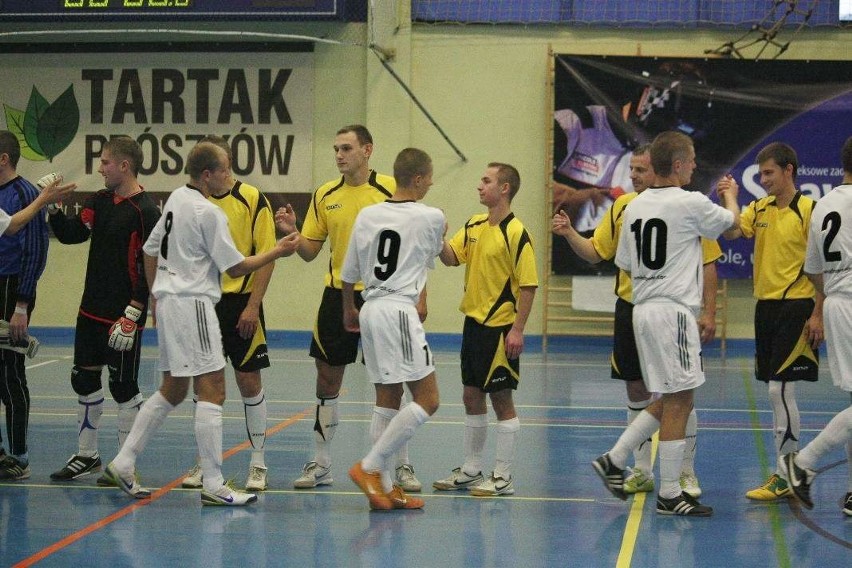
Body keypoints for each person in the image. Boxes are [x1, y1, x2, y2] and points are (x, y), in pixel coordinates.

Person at [103, 141, 300, 505]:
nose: (229, 174)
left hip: (171, 305)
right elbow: (235, 267)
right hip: (195, 305)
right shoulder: (209, 213)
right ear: (207, 174)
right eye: (224, 168)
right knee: (214, 391)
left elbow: (149, 250)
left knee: (173, 389)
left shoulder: (176, 198)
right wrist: (278, 250)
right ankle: (213, 483)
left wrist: (156, 297)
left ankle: (124, 461)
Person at [552, 144, 727, 498]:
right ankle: (642, 470)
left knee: (681, 393)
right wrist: (571, 234)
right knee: (657, 389)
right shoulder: (626, 208)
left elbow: (708, 262)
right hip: (637, 306)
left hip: (663, 308)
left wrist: (709, 311)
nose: (633, 176)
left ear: (658, 170)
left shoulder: (682, 206)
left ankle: (682, 474)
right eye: (630, 169)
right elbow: (601, 253)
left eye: (640, 170)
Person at [592, 131, 740, 516]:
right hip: (671, 310)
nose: (694, 167)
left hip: (641, 308)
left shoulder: (636, 206)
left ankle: (617, 459)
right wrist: (730, 195)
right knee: (679, 399)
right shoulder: (689, 202)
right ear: (676, 165)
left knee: (677, 396)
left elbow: (624, 261)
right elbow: (733, 226)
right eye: (691, 161)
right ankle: (669, 491)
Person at [275, 125, 421, 492]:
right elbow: (310, 251)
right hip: (336, 295)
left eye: (346, 148)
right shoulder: (325, 194)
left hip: (385, 296)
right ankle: (321, 463)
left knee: (391, 383)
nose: (339, 155)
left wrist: (421, 296)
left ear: (367, 150)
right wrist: (293, 231)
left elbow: (416, 246)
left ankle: (400, 465)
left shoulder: (391, 189)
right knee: (326, 380)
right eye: (336, 149)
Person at [46, 137, 161, 485]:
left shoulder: (147, 211)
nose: (100, 168)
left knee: (124, 386)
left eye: (105, 163)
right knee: (83, 378)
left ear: (124, 166)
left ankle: (123, 463)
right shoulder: (99, 200)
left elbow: (151, 264)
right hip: (91, 308)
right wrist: (51, 209)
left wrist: (135, 310)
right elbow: (72, 234)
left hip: (125, 313)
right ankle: (87, 454)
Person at [342, 147, 444, 510]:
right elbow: (442, 257)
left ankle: (383, 489)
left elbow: (349, 271)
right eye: (430, 177)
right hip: (399, 310)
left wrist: (348, 308)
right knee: (428, 399)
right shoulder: (432, 217)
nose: (432, 183)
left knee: (387, 397)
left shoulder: (368, 214)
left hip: (369, 307)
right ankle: (369, 467)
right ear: (417, 179)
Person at [721, 142, 823, 501]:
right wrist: (731, 196)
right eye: (760, 173)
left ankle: (787, 472)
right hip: (765, 308)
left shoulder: (809, 210)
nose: (763, 180)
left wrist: (818, 312)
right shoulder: (759, 208)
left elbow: (821, 266)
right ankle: (788, 470)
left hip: (797, 306)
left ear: (788, 171)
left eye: (769, 173)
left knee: (778, 389)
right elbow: (733, 231)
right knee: (776, 390)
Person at [432, 162, 538, 497]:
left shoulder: (517, 232)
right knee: (470, 395)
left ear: (504, 188)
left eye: (486, 181)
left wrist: (517, 330)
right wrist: (437, 238)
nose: (480, 186)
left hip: (500, 328)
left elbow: (529, 286)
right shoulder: (475, 224)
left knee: (501, 399)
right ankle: (471, 470)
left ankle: (503, 476)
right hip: (473, 325)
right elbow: (451, 257)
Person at [180, 135, 277, 492]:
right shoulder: (193, 201)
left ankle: (258, 462)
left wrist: (253, 305)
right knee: (203, 384)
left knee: (248, 380)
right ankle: (206, 464)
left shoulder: (252, 199)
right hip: (203, 304)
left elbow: (267, 255)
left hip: (241, 302)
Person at [778, 136, 852, 516]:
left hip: (838, 302)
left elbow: (813, 269)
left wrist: (830, 300)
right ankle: (802, 463)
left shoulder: (823, 205)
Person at [0, 130, 51, 480]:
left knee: (10, 373)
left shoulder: (25, 194)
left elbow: (35, 252)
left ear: (3, 158)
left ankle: (19, 455)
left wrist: (22, 303)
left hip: (11, 285)